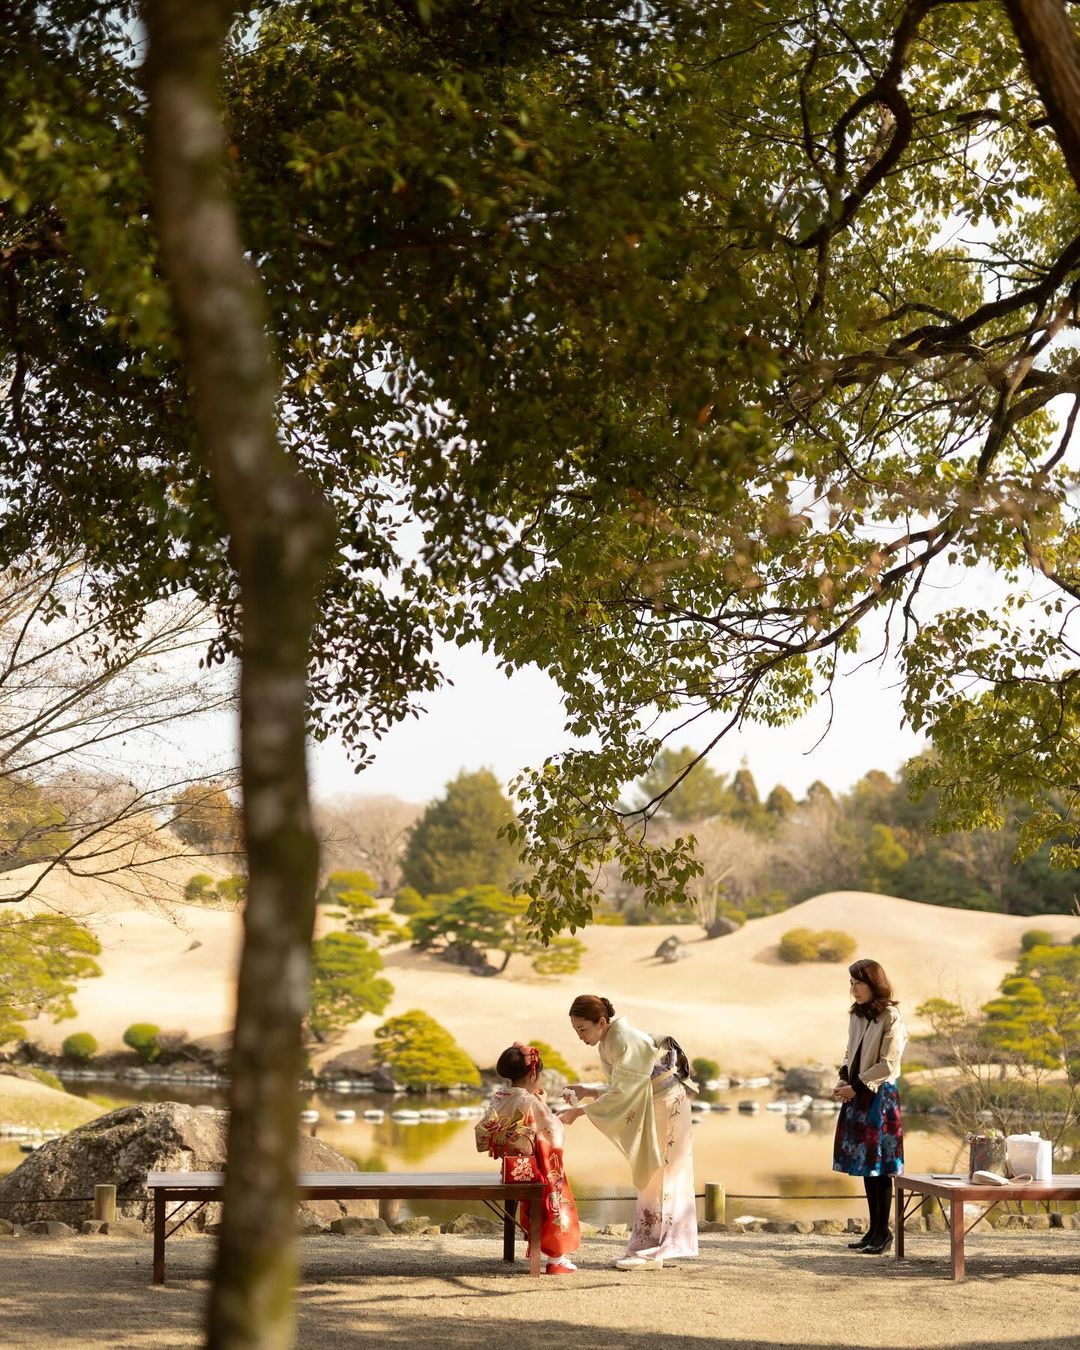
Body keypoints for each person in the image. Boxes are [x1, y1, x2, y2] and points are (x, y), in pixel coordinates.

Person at [562, 994, 697, 1271]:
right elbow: (626, 1085)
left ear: (601, 1022)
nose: (580, 1036)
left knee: (664, 1172)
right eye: (576, 1031)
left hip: (667, 1103)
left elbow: (625, 1091)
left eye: (582, 1029)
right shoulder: (608, 1041)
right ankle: (643, 1245)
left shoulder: (623, 1039)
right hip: (652, 1101)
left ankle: (657, 1251)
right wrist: (588, 1091)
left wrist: (581, 1111)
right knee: (651, 1175)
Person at [474, 1041, 581, 1275]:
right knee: (556, 1197)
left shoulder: (500, 1096)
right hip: (536, 1168)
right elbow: (551, 1130)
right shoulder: (529, 1101)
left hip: (513, 1167)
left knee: (540, 1203)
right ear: (533, 1075)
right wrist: (547, 1109)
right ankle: (557, 1258)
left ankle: (553, 1256)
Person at [831, 958, 907, 1255]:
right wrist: (842, 1079)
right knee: (865, 1165)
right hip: (858, 1093)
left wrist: (856, 1086)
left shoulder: (891, 1016)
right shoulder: (856, 1015)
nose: (854, 989)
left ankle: (883, 1233)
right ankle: (874, 1230)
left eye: (858, 983)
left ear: (874, 983)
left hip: (880, 1097)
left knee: (880, 1166)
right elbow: (851, 1051)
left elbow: (887, 1064)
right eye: (851, 984)